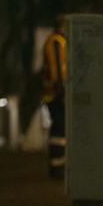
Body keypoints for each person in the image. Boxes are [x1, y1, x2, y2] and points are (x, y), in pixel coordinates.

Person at [42, 15, 67, 179]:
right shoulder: (56, 42)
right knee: (59, 128)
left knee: (58, 128)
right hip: (55, 92)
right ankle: (57, 166)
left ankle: (57, 165)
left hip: (53, 92)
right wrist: (61, 88)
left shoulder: (55, 41)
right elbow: (56, 68)